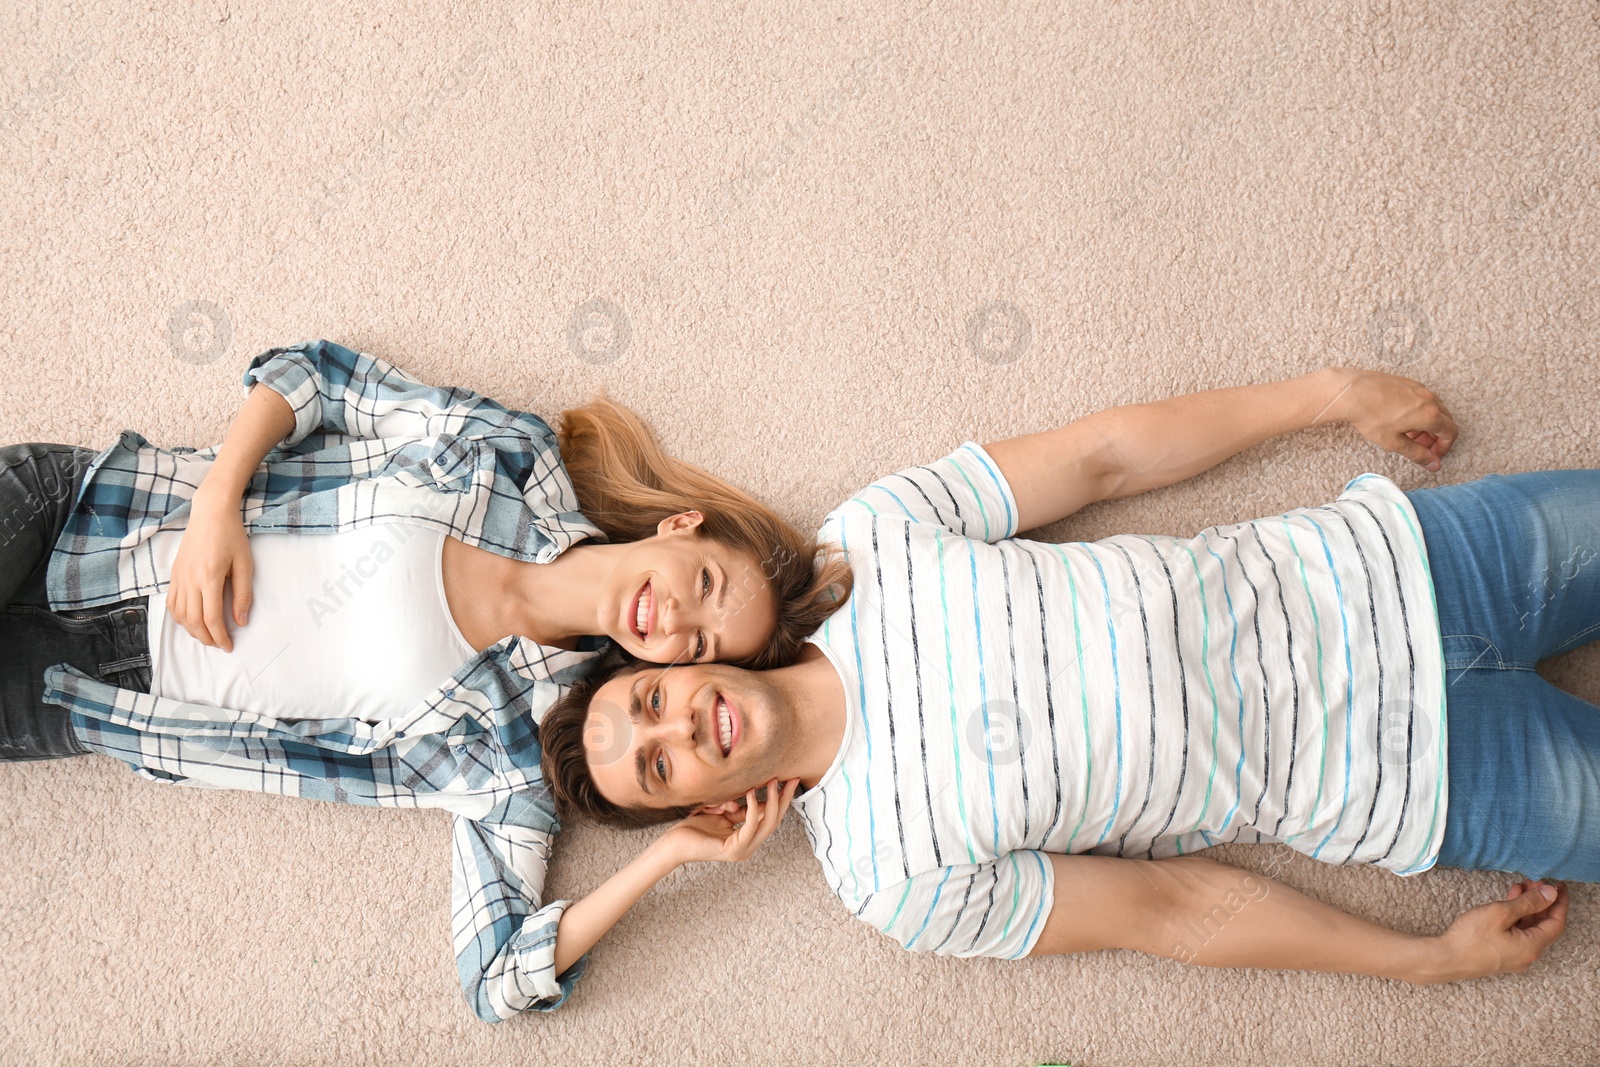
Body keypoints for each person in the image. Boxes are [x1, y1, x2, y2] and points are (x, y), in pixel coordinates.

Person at [541, 363, 1590, 985]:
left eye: (647, 704)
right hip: (1419, 779)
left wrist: (1328, 392)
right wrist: (1421, 960)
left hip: (1404, 561)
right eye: (660, 768)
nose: (677, 730)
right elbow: (1169, 907)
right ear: (709, 806)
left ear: (677, 664)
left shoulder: (867, 539)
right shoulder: (890, 882)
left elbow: (1104, 457)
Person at [0, 339, 850, 1022]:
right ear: (680, 525)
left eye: (697, 642)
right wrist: (220, 498)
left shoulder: (519, 751)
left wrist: (669, 853)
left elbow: (497, 977)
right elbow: (318, 378)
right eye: (700, 583)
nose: (671, 619)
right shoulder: (514, 457)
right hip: (92, 517)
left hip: (85, 697)